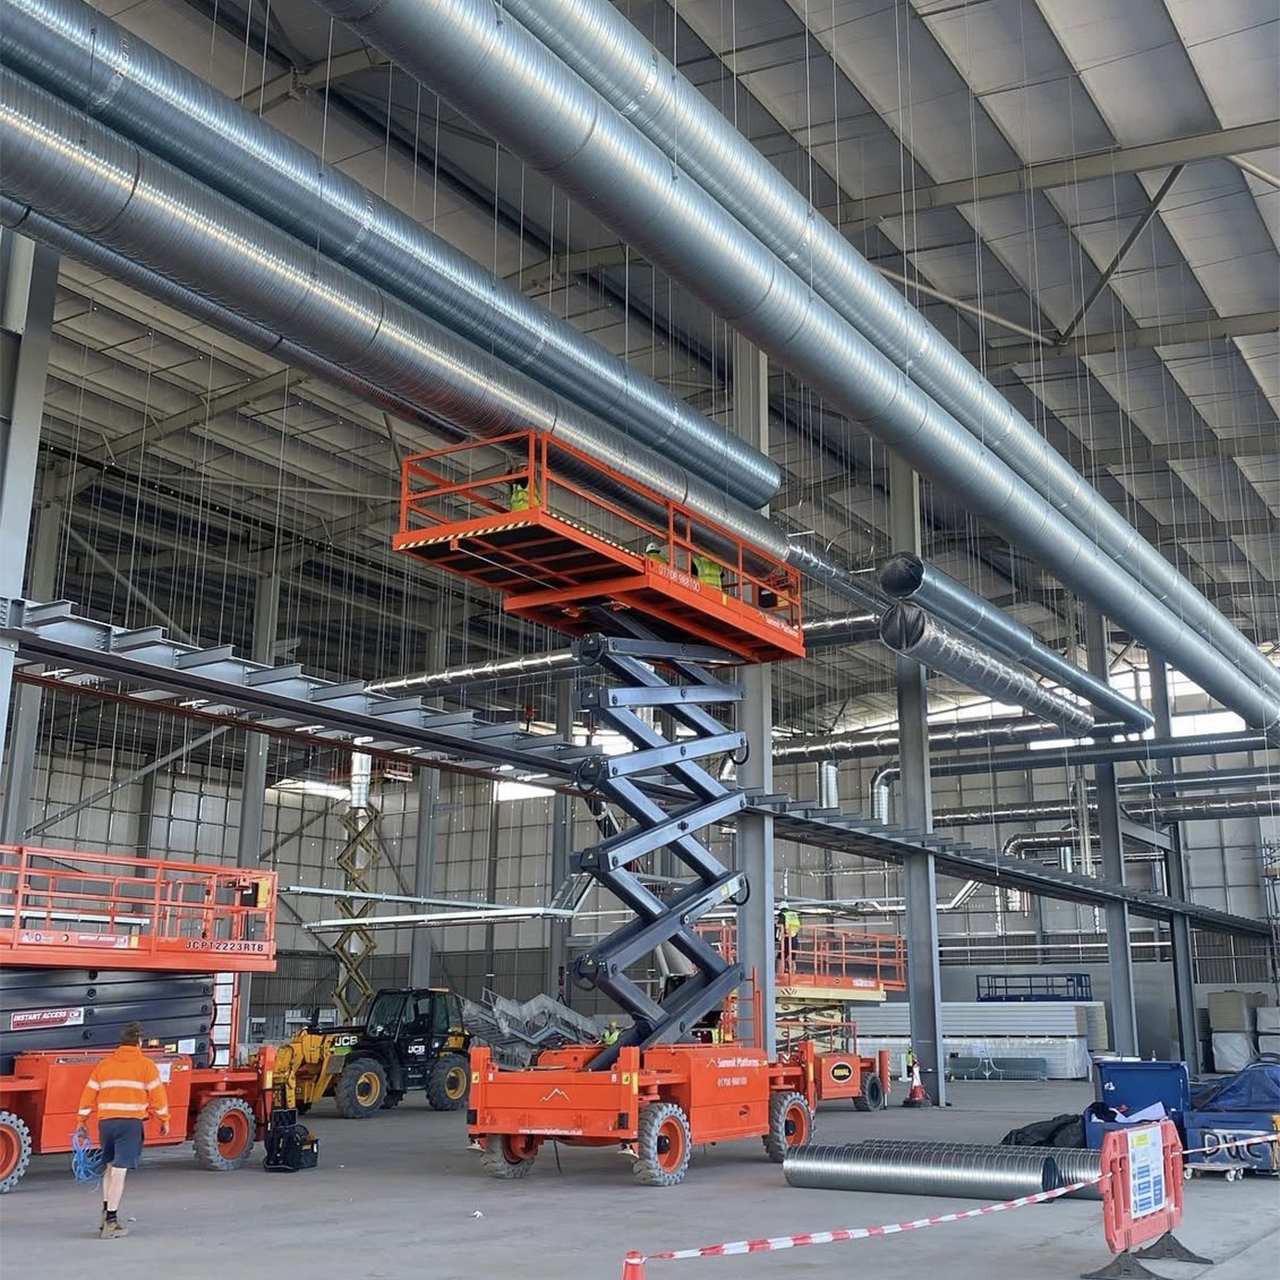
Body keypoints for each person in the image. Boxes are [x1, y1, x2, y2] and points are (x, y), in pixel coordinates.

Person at [75, 1022, 170, 1239]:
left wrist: (82, 1121)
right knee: (119, 1171)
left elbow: (88, 1094)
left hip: (106, 1123)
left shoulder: (104, 1065)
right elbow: (158, 1096)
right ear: (139, 1042)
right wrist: (164, 1119)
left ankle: (105, 1214)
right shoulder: (146, 1066)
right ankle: (111, 1222)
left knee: (110, 1167)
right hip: (130, 1124)